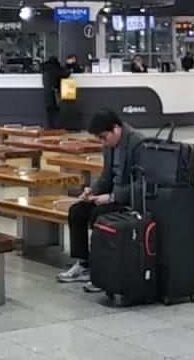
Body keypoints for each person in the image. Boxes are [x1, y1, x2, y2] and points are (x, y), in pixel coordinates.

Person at [55, 109, 146, 291]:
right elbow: (106, 176)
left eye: (104, 137)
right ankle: (84, 263)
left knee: (98, 215)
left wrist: (112, 197)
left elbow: (141, 184)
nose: (103, 142)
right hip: (110, 195)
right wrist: (92, 191)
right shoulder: (109, 146)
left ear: (116, 129)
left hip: (128, 199)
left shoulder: (138, 143)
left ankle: (102, 269)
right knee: (77, 211)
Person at [41, 55, 70, 129]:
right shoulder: (55, 69)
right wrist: (68, 65)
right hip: (54, 92)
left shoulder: (45, 70)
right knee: (56, 109)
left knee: (49, 110)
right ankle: (57, 125)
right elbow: (66, 74)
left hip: (46, 92)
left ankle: (49, 126)